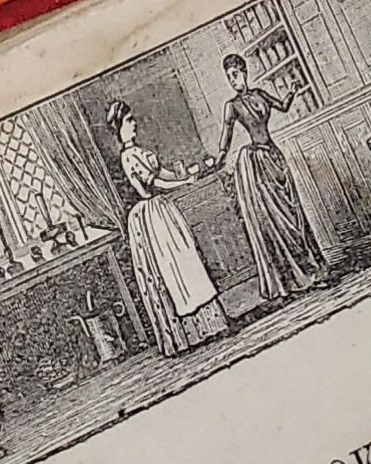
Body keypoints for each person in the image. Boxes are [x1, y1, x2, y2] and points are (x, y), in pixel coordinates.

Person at [106, 100, 227, 354]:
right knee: (175, 268)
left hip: (162, 209)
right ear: (119, 129)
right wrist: (183, 183)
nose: (134, 123)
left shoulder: (140, 150)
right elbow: (155, 183)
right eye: (128, 121)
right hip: (152, 214)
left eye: (133, 119)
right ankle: (191, 333)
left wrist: (187, 175)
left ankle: (210, 325)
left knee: (187, 261)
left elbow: (165, 174)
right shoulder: (128, 157)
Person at [201, 53, 322, 307]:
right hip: (259, 164)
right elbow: (227, 136)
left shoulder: (260, 94)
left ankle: (312, 267)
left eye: (235, 74)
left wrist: (292, 91)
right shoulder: (231, 106)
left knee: (294, 213)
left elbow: (283, 106)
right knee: (277, 222)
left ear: (244, 71)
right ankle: (292, 278)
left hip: (275, 156)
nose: (233, 80)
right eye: (229, 77)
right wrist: (218, 161)